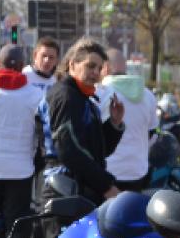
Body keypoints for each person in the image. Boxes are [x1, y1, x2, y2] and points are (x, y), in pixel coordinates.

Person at [47, 37, 125, 204]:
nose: (96, 73)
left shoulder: (85, 99)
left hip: (78, 189)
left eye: (99, 68)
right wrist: (106, 185)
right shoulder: (66, 96)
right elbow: (68, 150)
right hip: (62, 191)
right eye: (90, 66)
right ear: (72, 64)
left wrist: (114, 124)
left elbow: (98, 152)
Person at [0, 45, 46, 238]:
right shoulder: (34, 95)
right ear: (23, 66)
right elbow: (42, 133)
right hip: (20, 170)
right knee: (16, 223)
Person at [98, 49, 158, 191]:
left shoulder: (100, 93)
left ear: (105, 67)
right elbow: (153, 133)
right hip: (138, 171)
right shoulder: (148, 95)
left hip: (108, 172)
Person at [24, 37, 60, 172]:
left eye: (51, 57)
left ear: (56, 60)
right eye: (43, 56)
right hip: (25, 142)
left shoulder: (55, 82)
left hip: (44, 145)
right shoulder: (24, 75)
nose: (47, 61)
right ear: (35, 55)